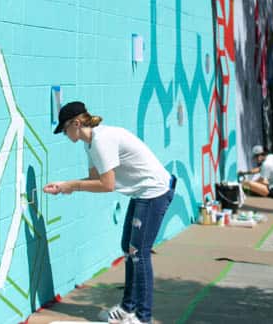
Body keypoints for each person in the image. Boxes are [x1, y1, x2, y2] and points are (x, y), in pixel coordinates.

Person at [44, 101, 176, 324]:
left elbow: (107, 185)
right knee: (128, 247)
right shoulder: (90, 144)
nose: (65, 134)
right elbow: (96, 180)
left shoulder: (101, 141)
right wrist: (65, 185)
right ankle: (127, 308)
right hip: (142, 193)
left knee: (139, 252)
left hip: (154, 191)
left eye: (65, 129)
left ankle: (142, 318)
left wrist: (72, 186)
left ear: (76, 123)